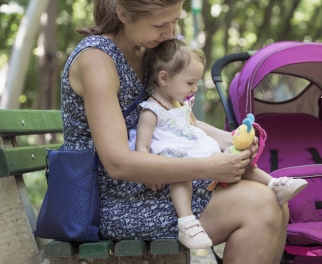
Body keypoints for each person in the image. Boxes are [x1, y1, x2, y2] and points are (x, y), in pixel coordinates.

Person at [63, 0, 291, 264]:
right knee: (260, 204)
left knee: (276, 199)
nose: (170, 31)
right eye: (160, 23)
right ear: (123, 14)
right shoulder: (97, 60)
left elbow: (181, 121)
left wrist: (229, 139)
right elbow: (117, 163)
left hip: (156, 185)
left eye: (175, 20)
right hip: (112, 201)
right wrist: (210, 167)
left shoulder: (152, 50)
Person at [127, 38, 308, 249]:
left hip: (192, 148)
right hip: (173, 157)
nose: (194, 88)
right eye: (189, 83)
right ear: (164, 78)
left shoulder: (180, 102)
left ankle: (273, 183)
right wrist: (148, 175)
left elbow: (194, 124)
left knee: (235, 160)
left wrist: (231, 138)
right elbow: (142, 147)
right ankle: (187, 221)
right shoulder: (151, 110)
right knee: (180, 174)